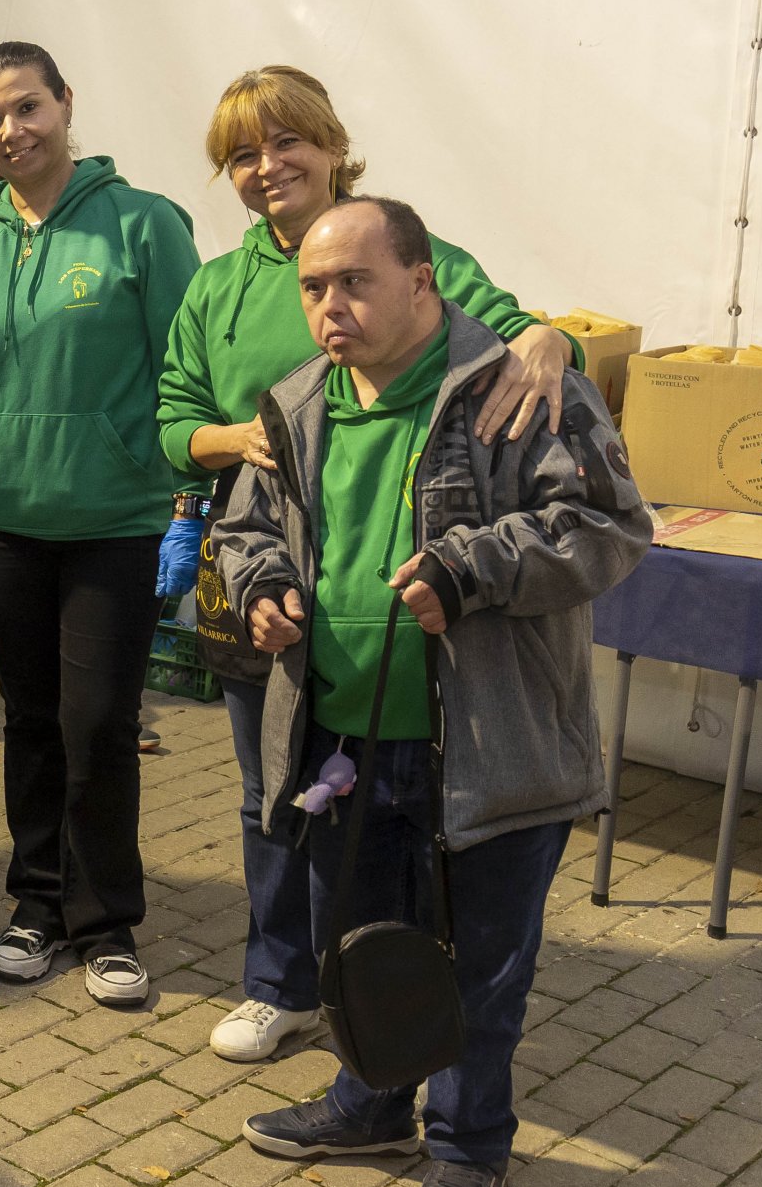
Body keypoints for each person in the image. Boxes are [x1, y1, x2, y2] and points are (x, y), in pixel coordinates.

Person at [212, 195, 648, 1187]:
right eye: (313, 287)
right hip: (339, 747)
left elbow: (610, 527)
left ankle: (466, 1145)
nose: (330, 307)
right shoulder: (291, 405)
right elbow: (246, 525)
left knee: (480, 966)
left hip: (487, 749)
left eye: (354, 282)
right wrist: (262, 583)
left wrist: (473, 566)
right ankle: (368, 1107)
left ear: (421, 281)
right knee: (359, 947)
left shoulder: (517, 391)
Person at [156, 65, 582, 1065]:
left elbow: (504, 338)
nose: (266, 168)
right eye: (241, 156)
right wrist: (240, 439)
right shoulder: (216, 287)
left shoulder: (392, 243)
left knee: (374, 811)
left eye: (284, 143)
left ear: (332, 144)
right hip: (263, 561)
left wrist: (552, 336)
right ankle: (281, 983)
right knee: (275, 791)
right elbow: (170, 420)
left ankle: (402, 1004)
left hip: (391, 588)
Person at [0, 41, 202, 1007]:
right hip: (3, 522)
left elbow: (182, 375)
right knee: (30, 721)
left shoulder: (145, 227)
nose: (10, 133)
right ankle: (35, 902)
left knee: (99, 723)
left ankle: (106, 919)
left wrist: (180, 505)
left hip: (115, 522)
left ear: (66, 104)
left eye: (26, 108)